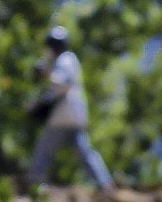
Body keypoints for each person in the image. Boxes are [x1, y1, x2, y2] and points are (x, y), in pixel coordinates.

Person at [26, 25, 112, 189]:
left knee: (43, 153)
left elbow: (63, 84)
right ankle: (105, 185)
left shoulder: (65, 59)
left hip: (62, 118)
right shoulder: (65, 60)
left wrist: (46, 74)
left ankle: (34, 186)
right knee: (85, 152)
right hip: (74, 116)